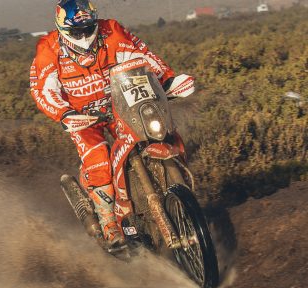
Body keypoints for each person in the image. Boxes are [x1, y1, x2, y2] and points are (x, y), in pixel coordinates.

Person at [29, 0, 195, 247]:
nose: (84, 36)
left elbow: (144, 58)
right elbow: (43, 90)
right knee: (99, 159)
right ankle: (109, 225)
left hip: (121, 103)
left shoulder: (111, 31)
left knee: (157, 132)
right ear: (63, 30)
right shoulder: (49, 49)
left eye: (88, 28)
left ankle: (173, 193)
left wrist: (167, 81)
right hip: (82, 117)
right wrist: (63, 113)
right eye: (77, 32)